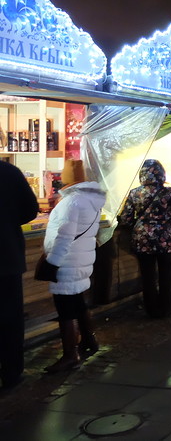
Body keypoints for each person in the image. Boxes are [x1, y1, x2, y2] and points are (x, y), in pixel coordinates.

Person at [43, 159, 105, 373]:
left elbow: (64, 238)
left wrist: (52, 263)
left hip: (67, 262)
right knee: (78, 302)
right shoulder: (90, 200)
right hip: (81, 260)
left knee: (66, 309)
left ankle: (70, 355)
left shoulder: (71, 202)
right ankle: (89, 340)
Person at [118, 159, 171, 317]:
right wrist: (169, 227)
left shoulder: (135, 193)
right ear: (161, 174)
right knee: (166, 274)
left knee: (147, 276)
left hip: (142, 240)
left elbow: (126, 218)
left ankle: (151, 309)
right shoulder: (169, 192)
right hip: (165, 239)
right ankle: (165, 307)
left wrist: (140, 226)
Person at [0, 161, 39, 389]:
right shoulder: (9, 172)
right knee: (10, 318)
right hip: (7, 256)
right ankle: (12, 373)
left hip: (8, 257)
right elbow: (30, 209)